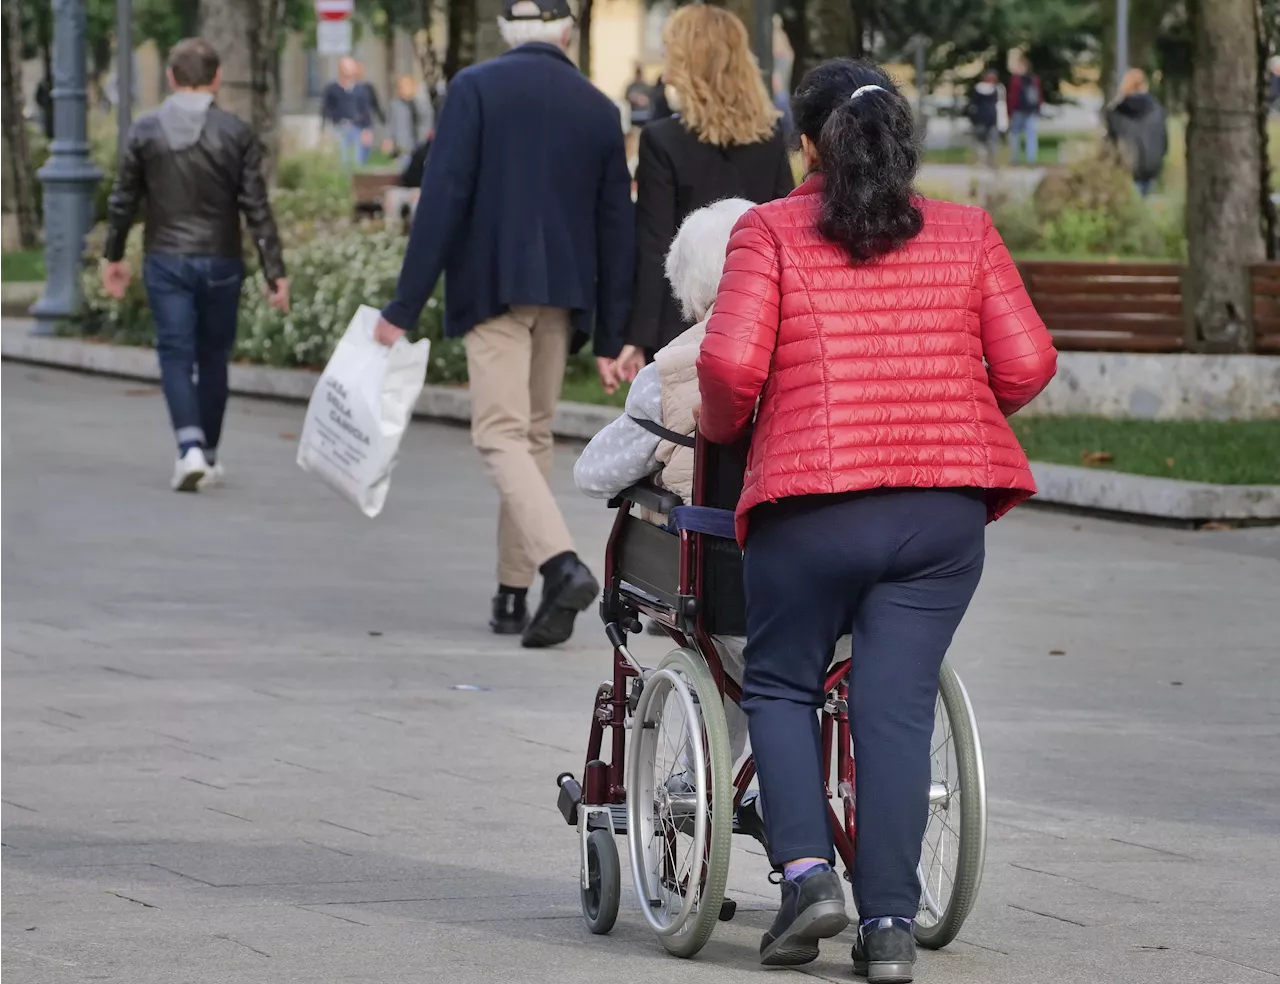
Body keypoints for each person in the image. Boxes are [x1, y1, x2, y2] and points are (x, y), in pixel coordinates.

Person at [697, 59, 1057, 977]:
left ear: (807, 142)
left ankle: (809, 878)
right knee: (893, 710)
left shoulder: (769, 231)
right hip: (939, 519)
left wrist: (731, 431)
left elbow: (732, 371)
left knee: (780, 684)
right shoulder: (968, 232)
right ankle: (890, 928)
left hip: (810, 509)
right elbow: (1026, 365)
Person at [372, 0, 635, 649]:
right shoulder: (600, 108)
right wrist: (611, 335)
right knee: (533, 436)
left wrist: (403, 307)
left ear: (506, 33)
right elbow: (616, 228)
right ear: (568, 34)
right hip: (565, 294)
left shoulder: (474, 89)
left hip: (492, 287)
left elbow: (444, 199)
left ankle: (559, 565)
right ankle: (512, 594)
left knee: (498, 436)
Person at [101, 38, 289, 492]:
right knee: (213, 358)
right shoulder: (235, 133)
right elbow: (256, 206)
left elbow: (124, 199)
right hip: (222, 259)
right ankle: (208, 453)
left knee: (175, 355)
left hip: (166, 258)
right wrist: (274, 271)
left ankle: (188, 449)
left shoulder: (145, 132)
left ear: (170, 77)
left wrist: (113, 255)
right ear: (217, 78)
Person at [619, 4, 794, 369]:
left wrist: (638, 337)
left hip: (682, 322)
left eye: (670, 50)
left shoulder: (661, 140)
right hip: (757, 315)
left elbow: (655, 245)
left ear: (688, 62)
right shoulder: (771, 136)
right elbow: (784, 231)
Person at [1105, 68, 1168, 197]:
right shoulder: (1157, 110)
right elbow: (1165, 142)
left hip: (1128, 169)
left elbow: (1111, 143)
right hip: (1152, 168)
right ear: (1144, 85)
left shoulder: (1115, 113)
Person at [322, 57, 384, 168]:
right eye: (345, 67)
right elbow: (326, 109)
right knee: (341, 159)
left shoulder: (361, 90)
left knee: (357, 161)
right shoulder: (332, 89)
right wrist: (324, 129)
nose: (348, 71)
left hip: (357, 128)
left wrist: (367, 129)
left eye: (350, 68)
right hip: (339, 128)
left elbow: (366, 110)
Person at [387, 73, 434, 161]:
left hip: (419, 147)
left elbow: (428, 123)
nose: (403, 89)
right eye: (401, 86)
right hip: (402, 149)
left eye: (406, 86)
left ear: (413, 87)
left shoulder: (422, 104)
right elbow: (391, 124)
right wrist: (389, 139)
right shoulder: (395, 105)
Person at [966, 69, 1005, 168]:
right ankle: (989, 161)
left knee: (981, 141)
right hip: (991, 118)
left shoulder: (979, 89)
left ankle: (983, 160)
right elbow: (1001, 105)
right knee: (991, 141)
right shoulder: (997, 89)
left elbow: (973, 105)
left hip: (982, 118)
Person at [1007, 54, 1042, 165]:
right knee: (1031, 135)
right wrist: (1038, 108)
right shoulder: (1034, 79)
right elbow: (1039, 95)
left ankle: (1014, 159)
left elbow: (1012, 97)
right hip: (1031, 111)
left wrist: (1010, 111)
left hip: (1018, 110)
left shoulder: (1015, 80)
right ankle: (1031, 159)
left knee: (1014, 134)